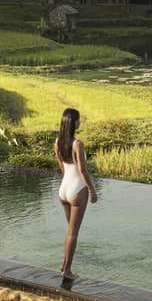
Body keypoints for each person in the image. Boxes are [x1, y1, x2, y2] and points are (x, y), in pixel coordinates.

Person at [54, 107, 98, 280]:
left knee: (70, 231)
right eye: (79, 119)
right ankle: (67, 271)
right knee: (73, 232)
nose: (80, 122)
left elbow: (62, 166)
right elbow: (83, 170)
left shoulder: (58, 142)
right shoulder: (77, 144)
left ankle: (63, 264)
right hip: (77, 190)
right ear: (74, 122)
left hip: (64, 188)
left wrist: (68, 181)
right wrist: (93, 191)